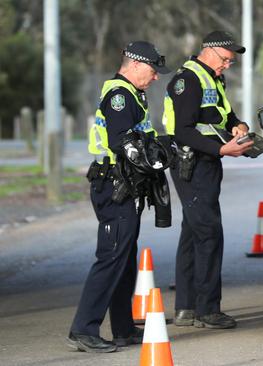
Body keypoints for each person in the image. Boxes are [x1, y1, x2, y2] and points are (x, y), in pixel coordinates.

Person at [67, 41, 171, 353]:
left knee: (124, 258)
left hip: (122, 185)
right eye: (153, 71)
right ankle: (83, 330)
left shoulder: (131, 93)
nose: (155, 78)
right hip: (113, 185)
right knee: (111, 257)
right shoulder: (119, 96)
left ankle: (124, 329)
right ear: (136, 65)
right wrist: (156, 157)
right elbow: (124, 144)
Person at [162, 30, 252, 330]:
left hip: (208, 162)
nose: (227, 65)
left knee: (193, 231)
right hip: (192, 163)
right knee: (209, 233)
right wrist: (221, 148)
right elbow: (183, 131)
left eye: (230, 61)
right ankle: (207, 309)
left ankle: (186, 307)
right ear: (209, 51)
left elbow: (223, 116)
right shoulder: (187, 80)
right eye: (225, 59)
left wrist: (239, 126)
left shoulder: (213, 78)